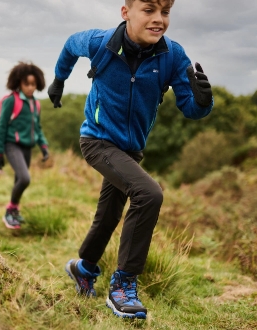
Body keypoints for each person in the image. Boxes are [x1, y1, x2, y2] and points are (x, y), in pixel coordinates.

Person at [48, 0, 213, 319]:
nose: (159, 19)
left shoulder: (172, 56)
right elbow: (70, 45)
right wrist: (59, 80)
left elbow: (189, 108)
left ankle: (83, 268)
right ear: (126, 13)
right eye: (149, 10)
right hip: (97, 140)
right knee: (148, 194)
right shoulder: (100, 43)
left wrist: (203, 102)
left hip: (131, 150)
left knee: (110, 212)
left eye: (165, 12)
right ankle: (123, 285)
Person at [0, 62, 49, 230]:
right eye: (27, 84)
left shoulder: (35, 103)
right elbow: (2, 126)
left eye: (33, 84)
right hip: (12, 145)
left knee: (19, 179)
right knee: (25, 178)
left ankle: (14, 213)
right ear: (19, 83)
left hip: (27, 147)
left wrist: (43, 146)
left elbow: (37, 128)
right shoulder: (11, 101)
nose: (31, 87)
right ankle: (10, 210)